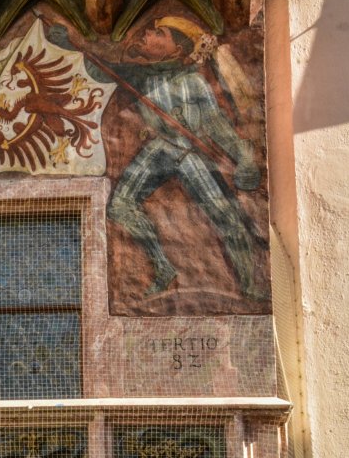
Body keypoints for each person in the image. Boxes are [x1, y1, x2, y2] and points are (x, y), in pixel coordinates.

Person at [51, 17, 265, 300]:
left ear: (176, 49)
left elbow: (216, 125)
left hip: (188, 151)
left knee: (227, 216)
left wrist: (243, 158)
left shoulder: (193, 81)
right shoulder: (140, 76)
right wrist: (68, 45)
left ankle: (249, 285)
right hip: (160, 147)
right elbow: (100, 69)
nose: (147, 34)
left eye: (159, 33)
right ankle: (163, 268)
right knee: (120, 205)